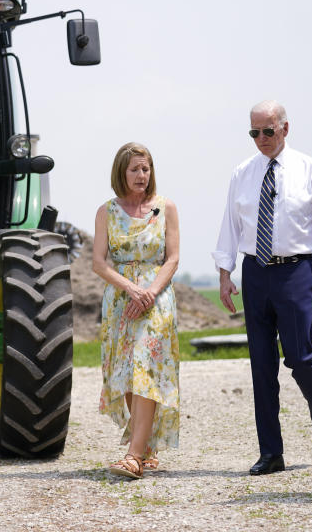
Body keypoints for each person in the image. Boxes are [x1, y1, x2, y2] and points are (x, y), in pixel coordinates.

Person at [212, 100, 312, 476]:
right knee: (262, 365)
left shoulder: (310, 169)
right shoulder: (242, 173)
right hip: (256, 272)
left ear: (285, 128)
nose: (261, 139)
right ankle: (271, 452)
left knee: (300, 357)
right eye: (254, 132)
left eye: (267, 131)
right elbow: (230, 226)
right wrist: (225, 273)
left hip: (295, 272)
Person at [93, 142, 180, 479]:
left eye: (146, 169)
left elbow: (172, 258)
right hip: (120, 299)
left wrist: (150, 292)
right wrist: (130, 289)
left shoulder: (166, 208)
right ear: (122, 173)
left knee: (146, 367)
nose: (142, 175)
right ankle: (146, 447)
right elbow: (98, 263)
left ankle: (132, 456)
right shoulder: (106, 212)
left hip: (156, 299)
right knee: (127, 373)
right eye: (135, 169)